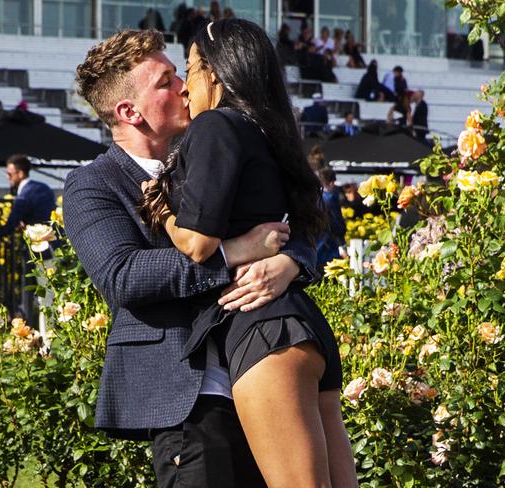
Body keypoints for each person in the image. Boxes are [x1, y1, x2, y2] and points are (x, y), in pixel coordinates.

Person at [68, 29, 317, 487]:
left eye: (181, 73)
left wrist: (292, 262)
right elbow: (123, 277)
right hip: (189, 396)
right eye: (165, 81)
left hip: (261, 371)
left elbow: (292, 222)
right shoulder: (92, 185)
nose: (185, 85)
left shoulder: (217, 143)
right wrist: (230, 253)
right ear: (129, 112)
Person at [141, 20, 357, 487]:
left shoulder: (217, 124)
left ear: (215, 74)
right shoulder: (267, 130)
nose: (184, 89)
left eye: (191, 70)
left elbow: (198, 244)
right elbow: (306, 218)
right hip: (301, 324)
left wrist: (165, 213)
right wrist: (292, 259)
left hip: (261, 329)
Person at [0, 154, 56, 336]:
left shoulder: (24, 195)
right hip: (52, 247)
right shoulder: (43, 188)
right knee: (47, 297)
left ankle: (45, 341)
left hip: (39, 252)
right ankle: (41, 336)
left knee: (44, 299)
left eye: (9, 173)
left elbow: (9, 226)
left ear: (20, 173)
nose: (7, 177)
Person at [316, 168, 346, 270]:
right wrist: (343, 244)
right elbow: (338, 224)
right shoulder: (331, 198)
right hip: (328, 245)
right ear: (331, 182)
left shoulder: (315, 197)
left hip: (316, 245)